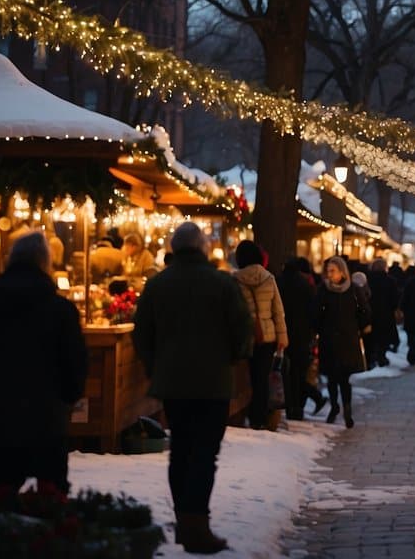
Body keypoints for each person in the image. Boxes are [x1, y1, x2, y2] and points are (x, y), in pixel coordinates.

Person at [133, 222, 251, 554]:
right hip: (213, 382)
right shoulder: (222, 284)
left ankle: (185, 521)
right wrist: (233, 356)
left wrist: (154, 366)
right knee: (204, 453)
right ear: (202, 248)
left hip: (173, 382)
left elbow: (142, 333)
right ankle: (195, 524)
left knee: (181, 450)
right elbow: (243, 330)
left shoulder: (157, 285)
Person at [0, 232, 87, 500]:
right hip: (47, 422)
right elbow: (76, 365)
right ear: (45, 263)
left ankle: (3, 539)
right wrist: (65, 400)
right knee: (51, 502)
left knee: (2, 498)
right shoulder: (61, 312)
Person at [232, 240, 288, 430]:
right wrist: (282, 338)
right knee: (262, 377)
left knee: (244, 377)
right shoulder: (269, 278)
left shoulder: (235, 279)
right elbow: (278, 311)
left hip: (245, 335)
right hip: (267, 335)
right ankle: (260, 417)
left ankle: (246, 414)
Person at [317, 256, 372, 428]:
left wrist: (360, 327)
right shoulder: (324, 290)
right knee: (332, 377)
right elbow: (315, 312)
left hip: (348, 340)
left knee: (344, 377)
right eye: (328, 271)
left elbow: (365, 311)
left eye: (333, 271)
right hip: (329, 339)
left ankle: (347, 408)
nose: (329, 274)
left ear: (342, 271)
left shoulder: (353, 290)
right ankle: (334, 406)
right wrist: (320, 328)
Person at [277, 257, 319, 421]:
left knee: (285, 372)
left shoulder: (279, 282)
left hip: (283, 333)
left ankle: (288, 406)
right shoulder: (305, 285)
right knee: (299, 372)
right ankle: (298, 408)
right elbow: (313, 310)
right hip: (302, 335)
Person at [367, 258, 399, 367]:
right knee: (384, 337)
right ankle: (382, 356)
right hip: (386, 313)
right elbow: (395, 298)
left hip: (371, 312)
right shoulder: (390, 280)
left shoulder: (368, 279)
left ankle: (373, 356)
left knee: (372, 336)